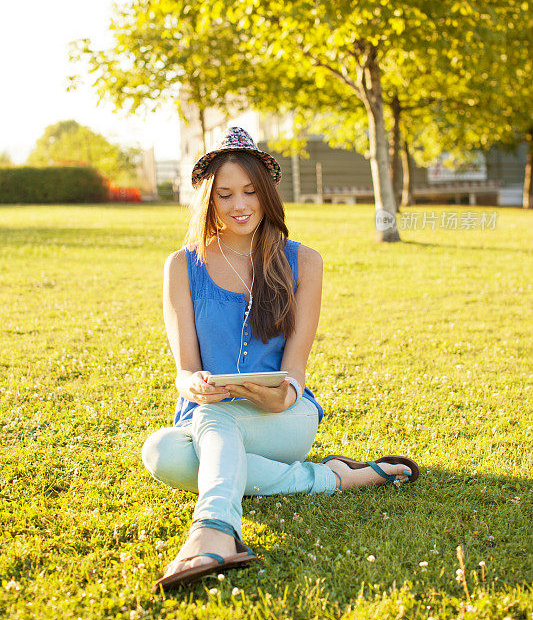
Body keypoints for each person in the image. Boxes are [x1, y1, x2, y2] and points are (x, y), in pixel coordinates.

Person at [142, 126, 419, 590]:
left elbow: (295, 368)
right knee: (161, 450)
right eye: (226, 194)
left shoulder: (304, 261)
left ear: (268, 193)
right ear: (208, 199)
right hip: (208, 414)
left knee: (216, 422)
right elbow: (185, 370)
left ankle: (215, 531)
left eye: (251, 191)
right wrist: (192, 385)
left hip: (285, 416)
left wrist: (280, 397)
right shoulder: (181, 265)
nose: (240, 205)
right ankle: (332, 477)